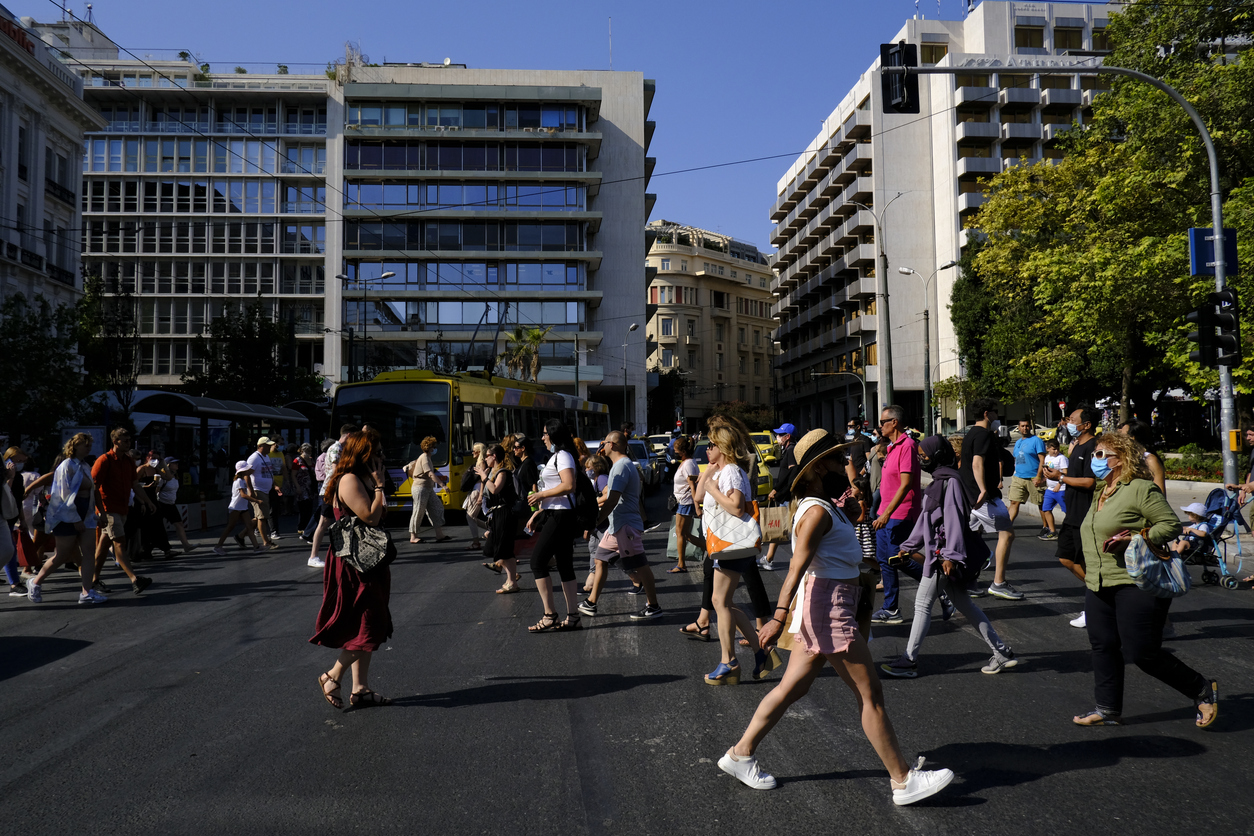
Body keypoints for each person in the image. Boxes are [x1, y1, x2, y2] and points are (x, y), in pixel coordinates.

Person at [717, 429, 954, 805]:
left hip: (828, 603)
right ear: (815, 469)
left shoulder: (825, 507)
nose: (844, 464)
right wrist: (778, 617)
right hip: (828, 609)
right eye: (834, 459)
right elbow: (796, 568)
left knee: (792, 689)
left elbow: (842, 546)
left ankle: (739, 754)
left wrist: (856, 506)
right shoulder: (815, 512)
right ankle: (903, 780)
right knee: (870, 694)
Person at [1072, 431, 1217, 728]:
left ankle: (1200, 687)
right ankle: (1107, 709)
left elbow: (1170, 525)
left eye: (1101, 455)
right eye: (1094, 454)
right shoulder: (1102, 490)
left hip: (1136, 581)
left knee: (1142, 653)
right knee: (1103, 645)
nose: (1094, 460)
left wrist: (1137, 538)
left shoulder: (1139, 489)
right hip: (1099, 582)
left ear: (1122, 459)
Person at [881, 435, 1018, 677]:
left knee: (922, 604)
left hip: (942, 556)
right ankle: (1002, 652)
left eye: (924, 456)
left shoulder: (950, 483)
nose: (921, 459)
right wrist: (908, 546)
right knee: (965, 604)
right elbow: (927, 519)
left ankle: (908, 661)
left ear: (937, 456)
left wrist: (951, 556)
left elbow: (954, 521)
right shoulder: (939, 481)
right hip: (942, 555)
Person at [312, 432, 394, 710]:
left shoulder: (362, 479)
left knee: (368, 622)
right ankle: (332, 675)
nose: (381, 457)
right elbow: (369, 516)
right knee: (370, 622)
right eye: (377, 452)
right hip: (355, 564)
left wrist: (378, 487)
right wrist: (380, 487)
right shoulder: (348, 480)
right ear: (363, 454)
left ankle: (360, 689)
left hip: (369, 560)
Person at [694, 422, 776, 684]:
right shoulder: (720, 471)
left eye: (711, 445)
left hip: (731, 544)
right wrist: (708, 476)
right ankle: (760, 651)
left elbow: (738, 507)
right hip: (724, 544)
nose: (707, 449)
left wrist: (714, 489)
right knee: (723, 602)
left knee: (720, 602)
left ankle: (729, 661)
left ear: (723, 447)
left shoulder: (731, 472)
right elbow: (697, 496)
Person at [578, 431, 664, 622]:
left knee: (641, 566)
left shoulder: (621, 467)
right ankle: (591, 602)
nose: (602, 446)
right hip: (617, 526)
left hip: (625, 526)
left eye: (605, 442)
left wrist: (596, 521)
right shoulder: (619, 466)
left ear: (614, 445)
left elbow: (612, 499)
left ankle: (653, 606)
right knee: (600, 559)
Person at [27, 434, 103, 604]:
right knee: (61, 555)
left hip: (86, 514)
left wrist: (98, 514)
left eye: (90, 445)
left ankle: (87, 592)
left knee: (90, 552)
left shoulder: (84, 465)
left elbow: (92, 491)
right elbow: (63, 495)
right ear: (75, 446)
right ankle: (35, 582)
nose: (88, 448)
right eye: (85, 445)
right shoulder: (66, 466)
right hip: (66, 516)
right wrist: (75, 519)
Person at [958, 398, 1022, 601]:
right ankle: (999, 583)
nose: (998, 416)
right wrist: (984, 489)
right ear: (987, 413)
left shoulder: (971, 434)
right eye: (995, 412)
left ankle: (966, 581)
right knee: (1007, 534)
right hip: (984, 499)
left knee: (971, 537)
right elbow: (977, 463)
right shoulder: (984, 435)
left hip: (971, 497)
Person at [524, 420, 582, 633]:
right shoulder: (558, 456)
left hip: (561, 516)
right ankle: (573, 616)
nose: (542, 438)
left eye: (545, 433)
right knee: (565, 565)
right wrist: (540, 511)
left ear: (554, 436)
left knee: (538, 562)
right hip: (556, 514)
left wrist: (540, 495)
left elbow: (568, 486)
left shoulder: (563, 456)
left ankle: (550, 615)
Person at [1045, 406, 1099, 628]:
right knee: (1066, 557)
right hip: (1072, 512)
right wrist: (1060, 475)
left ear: (1086, 425)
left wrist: (1061, 477)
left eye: (1072, 419)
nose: (1067, 422)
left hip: (1085, 514)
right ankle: (1101, 595)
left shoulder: (1094, 447)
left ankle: (1096, 604)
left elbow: (1089, 482)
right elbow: (1075, 475)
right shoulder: (1077, 445)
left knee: (1086, 561)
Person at [871, 405, 923, 625]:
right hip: (885, 512)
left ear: (894, 422)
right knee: (885, 561)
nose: (880, 426)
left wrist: (886, 514)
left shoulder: (907, 446)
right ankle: (891, 609)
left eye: (883, 422)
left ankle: (939, 585)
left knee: (896, 559)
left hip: (900, 513)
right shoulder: (890, 447)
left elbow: (905, 485)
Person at [90, 428, 155, 595]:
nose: (128, 443)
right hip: (108, 509)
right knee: (119, 542)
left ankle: (93, 579)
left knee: (104, 545)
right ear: (115, 441)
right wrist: (101, 512)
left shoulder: (128, 461)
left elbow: (135, 485)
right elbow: (94, 487)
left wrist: (147, 501)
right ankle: (134, 579)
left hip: (122, 509)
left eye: (129, 440)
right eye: (125, 440)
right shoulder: (104, 460)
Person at [307, 426, 358, 568]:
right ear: (348, 435)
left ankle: (343, 554)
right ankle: (313, 556)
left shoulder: (342, 449)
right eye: (354, 437)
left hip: (336, 490)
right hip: (331, 491)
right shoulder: (336, 448)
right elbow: (336, 471)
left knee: (337, 521)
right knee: (324, 522)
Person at [478, 445, 520, 593]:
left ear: (494, 456)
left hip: (505, 513)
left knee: (505, 548)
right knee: (498, 548)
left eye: (487, 455)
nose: (485, 458)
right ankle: (512, 578)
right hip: (497, 514)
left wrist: (484, 477)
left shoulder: (502, 472)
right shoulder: (492, 472)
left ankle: (512, 582)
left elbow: (495, 489)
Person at [760, 423, 797, 571]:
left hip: (788, 497)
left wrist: (777, 490)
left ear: (787, 437)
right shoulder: (788, 450)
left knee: (792, 531)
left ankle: (799, 561)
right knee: (780, 527)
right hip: (785, 496)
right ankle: (768, 558)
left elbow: (790, 475)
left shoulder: (791, 450)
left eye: (780, 435)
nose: (778, 437)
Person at [212, 461, 264, 555]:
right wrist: (256, 500)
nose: (249, 470)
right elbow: (243, 495)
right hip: (236, 507)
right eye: (247, 469)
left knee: (249, 526)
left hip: (242, 507)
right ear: (243, 471)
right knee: (230, 527)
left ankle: (256, 547)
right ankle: (218, 546)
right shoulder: (239, 481)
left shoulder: (242, 480)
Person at [405, 436, 450, 544]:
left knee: (437, 507)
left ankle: (439, 534)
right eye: (434, 447)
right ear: (429, 448)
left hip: (427, 488)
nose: (435, 449)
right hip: (420, 488)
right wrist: (442, 485)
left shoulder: (427, 457)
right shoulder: (424, 458)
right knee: (418, 511)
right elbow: (430, 473)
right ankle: (413, 536)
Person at [1008, 418, 1047, 531]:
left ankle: (1046, 526)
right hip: (1018, 477)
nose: (1025, 428)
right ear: (1019, 428)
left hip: (1033, 477)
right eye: (1022, 426)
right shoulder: (1018, 442)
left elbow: (1042, 460)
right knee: (1014, 502)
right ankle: (1007, 526)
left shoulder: (1036, 441)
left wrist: (1039, 476)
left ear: (1030, 427)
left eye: (1027, 426)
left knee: (1041, 504)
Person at [670, 435, 700, 574]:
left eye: (676, 451)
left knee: (681, 533)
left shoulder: (688, 464)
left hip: (686, 502)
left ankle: (681, 564)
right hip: (683, 501)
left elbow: (692, 486)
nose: (674, 453)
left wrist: (697, 506)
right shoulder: (687, 462)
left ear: (682, 451)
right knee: (684, 533)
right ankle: (708, 549)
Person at [155, 458, 196, 554]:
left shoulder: (174, 476)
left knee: (179, 524)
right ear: (168, 465)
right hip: (162, 504)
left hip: (171, 504)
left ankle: (186, 545)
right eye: (174, 463)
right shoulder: (163, 477)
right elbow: (156, 490)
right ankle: (163, 548)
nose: (177, 465)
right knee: (161, 526)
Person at [1119, 420, 1166, 495]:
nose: (1119, 438)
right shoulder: (1121, 458)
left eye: (1122, 434)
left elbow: (1160, 494)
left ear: (1132, 438)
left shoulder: (1150, 460)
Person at [247, 437, 280, 545]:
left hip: (266, 490)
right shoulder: (254, 458)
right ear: (260, 446)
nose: (269, 447)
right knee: (262, 518)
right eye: (267, 445)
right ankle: (266, 541)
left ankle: (241, 535)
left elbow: (269, 472)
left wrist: (274, 485)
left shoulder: (266, 457)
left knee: (259, 517)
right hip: (258, 490)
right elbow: (246, 475)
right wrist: (250, 490)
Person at [1039, 439, 1067, 541]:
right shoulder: (1047, 458)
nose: (1056, 451)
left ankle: (1070, 530)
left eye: (1057, 449)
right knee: (1046, 509)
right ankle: (1052, 531)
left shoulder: (1061, 458)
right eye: (1053, 449)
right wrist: (1042, 480)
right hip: (1050, 489)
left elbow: (1065, 473)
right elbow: (1047, 472)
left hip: (1061, 489)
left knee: (1067, 511)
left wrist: (1059, 485)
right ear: (1048, 449)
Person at [464, 442, 488, 551]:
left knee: (470, 517)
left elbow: (483, 480)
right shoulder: (479, 462)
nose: (472, 453)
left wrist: (480, 496)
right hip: (476, 489)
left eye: (474, 451)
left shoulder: (482, 463)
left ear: (479, 452)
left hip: (478, 490)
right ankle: (492, 528)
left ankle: (476, 542)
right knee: (471, 517)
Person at [289, 444, 315, 544]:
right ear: (301, 450)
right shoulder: (297, 460)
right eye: (306, 450)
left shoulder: (312, 460)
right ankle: (302, 527)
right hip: (301, 486)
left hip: (310, 487)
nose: (308, 451)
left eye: (309, 450)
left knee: (310, 507)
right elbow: (293, 475)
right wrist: (297, 486)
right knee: (303, 507)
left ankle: (308, 528)